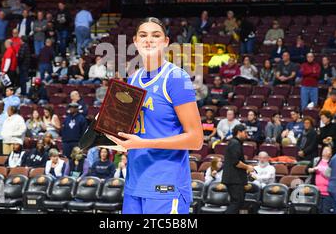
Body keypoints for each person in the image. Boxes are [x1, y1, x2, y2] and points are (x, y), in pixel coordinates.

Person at [105, 17, 203, 214]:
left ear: (166, 42)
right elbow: (134, 132)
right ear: (135, 42)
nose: (148, 40)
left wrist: (142, 143)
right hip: (135, 181)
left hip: (165, 183)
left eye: (155, 35)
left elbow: (196, 139)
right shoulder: (133, 79)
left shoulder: (175, 77)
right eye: (143, 35)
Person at [222, 125, 254, 214]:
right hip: (234, 179)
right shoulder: (234, 143)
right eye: (245, 132)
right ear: (239, 132)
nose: (247, 135)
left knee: (237, 203)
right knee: (236, 203)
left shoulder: (235, 143)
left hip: (234, 178)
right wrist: (248, 167)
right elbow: (236, 162)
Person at [307, 146, 333, 214]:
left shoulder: (332, 162)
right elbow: (307, 170)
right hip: (316, 191)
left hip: (328, 192)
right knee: (316, 211)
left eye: (328, 150)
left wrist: (323, 171)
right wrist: (312, 169)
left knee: (326, 211)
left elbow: (334, 175)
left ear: (331, 154)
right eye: (324, 149)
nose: (325, 151)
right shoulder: (316, 160)